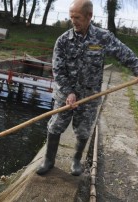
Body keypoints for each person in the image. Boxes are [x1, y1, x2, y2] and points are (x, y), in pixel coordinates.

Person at [36, 0, 138, 176]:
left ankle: (76, 160)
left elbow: (124, 54)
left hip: (89, 96)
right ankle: (48, 160)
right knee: (55, 126)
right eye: (71, 17)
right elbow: (58, 70)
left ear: (89, 16)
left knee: (83, 129)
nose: (73, 21)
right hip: (65, 95)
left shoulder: (102, 38)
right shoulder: (62, 41)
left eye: (77, 17)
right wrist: (69, 92)